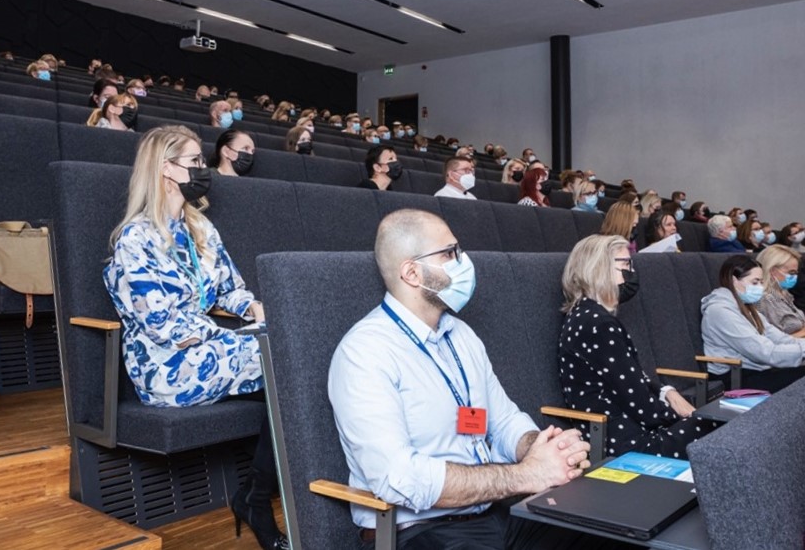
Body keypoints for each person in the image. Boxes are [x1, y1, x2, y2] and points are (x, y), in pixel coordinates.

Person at [328, 209, 595, 550]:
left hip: (491, 516)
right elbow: (399, 478)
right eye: (450, 253)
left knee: (610, 534)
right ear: (412, 272)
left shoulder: (461, 334)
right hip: (419, 532)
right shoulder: (365, 352)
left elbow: (503, 421)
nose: (463, 261)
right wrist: (527, 475)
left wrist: (540, 448)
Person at [104, 125, 287, 550]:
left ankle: (255, 498)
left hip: (210, 349)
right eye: (194, 162)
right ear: (166, 169)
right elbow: (165, 327)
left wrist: (256, 310)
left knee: (290, 369)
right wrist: (235, 332)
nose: (203, 170)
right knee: (286, 364)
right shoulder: (135, 240)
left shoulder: (199, 227)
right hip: (166, 367)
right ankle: (256, 501)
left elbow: (230, 289)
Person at [560, 235, 713, 458]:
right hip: (628, 443)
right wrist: (684, 416)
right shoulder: (600, 324)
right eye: (624, 264)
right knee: (715, 428)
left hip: (616, 433)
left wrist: (666, 392)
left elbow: (630, 381)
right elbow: (643, 407)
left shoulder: (584, 315)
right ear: (599, 269)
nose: (631, 272)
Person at [701, 254, 805, 392]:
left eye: (761, 282)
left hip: (757, 369)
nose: (761, 288)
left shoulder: (747, 306)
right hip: (735, 377)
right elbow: (766, 352)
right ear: (734, 280)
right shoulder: (720, 312)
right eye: (755, 282)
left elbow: (779, 338)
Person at [757, 245, 805, 338]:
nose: (795, 277)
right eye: (791, 272)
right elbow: (776, 340)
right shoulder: (765, 299)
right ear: (772, 271)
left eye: (796, 273)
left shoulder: (785, 295)